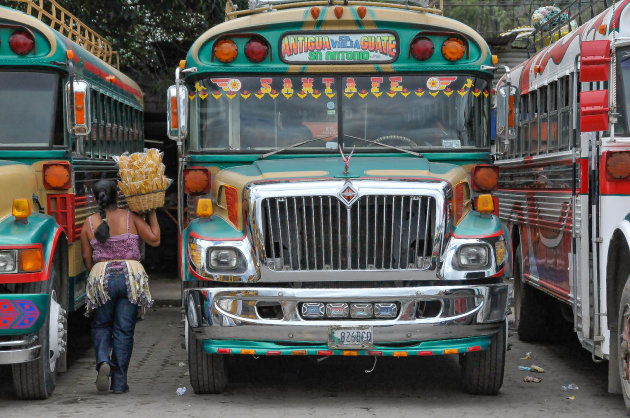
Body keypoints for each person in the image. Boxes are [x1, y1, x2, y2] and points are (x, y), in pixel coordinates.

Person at [80, 179, 160, 394]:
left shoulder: (88, 223)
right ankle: (119, 383)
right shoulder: (130, 217)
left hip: (101, 275)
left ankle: (103, 360)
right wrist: (151, 213)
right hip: (130, 278)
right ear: (117, 196)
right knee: (124, 330)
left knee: (101, 324)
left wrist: (97, 276)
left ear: (95, 199)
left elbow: (87, 259)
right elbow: (155, 240)